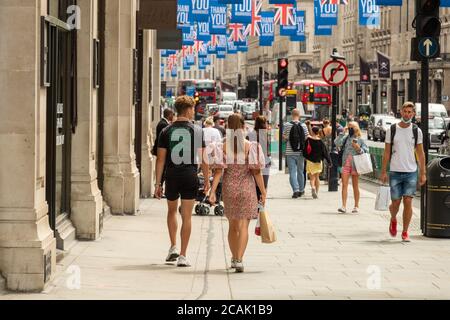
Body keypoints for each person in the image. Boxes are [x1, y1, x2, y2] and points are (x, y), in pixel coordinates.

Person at [155, 96, 210, 267]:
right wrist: (207, 180)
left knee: (171, 211)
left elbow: (160, 160)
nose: (194, 111)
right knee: (187, 216)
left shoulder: (166, 131)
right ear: (187, 110)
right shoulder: (197, 131)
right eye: (193, 109)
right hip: (189, 174)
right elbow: (204, 159)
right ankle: (183, 255)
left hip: (171, 174)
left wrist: (158, 184)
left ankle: (173, 247)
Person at [209, 114, 266, 273]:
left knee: (233, 226)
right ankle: (240, 259)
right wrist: (263, 191)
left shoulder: (222, 146)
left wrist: (212, 192)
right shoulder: (251, 146)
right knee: (243, 227)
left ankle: (234, 257)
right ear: (242, 127)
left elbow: (218, 172)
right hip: (246, 188)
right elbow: (256, 172)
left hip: (229, 189)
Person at [380, 102, 427, 242]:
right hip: (395, 171)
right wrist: (383, 171)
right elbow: (387, 152)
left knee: (408, 201)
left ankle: (405, 232)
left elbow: (421, 153)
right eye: (405, 111)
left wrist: (422, 172)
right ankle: (393, 219)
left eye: (410, 112)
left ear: (413, 114)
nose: (407, 114)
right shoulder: (392, 129)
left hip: (411, 171)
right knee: (395, 203)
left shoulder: (416, 131)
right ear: (401, 112)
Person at [335, 121, 369, 214]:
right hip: (345, 163)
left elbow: (366, 150)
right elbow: (337, 143)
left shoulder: (361, 139)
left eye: (352, 127)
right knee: (344, 185)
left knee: (355, 186)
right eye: (349, 127)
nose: (350, 129)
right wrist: (342, 132)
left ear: (356, 128)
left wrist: (358, 148)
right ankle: (343, 206)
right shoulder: (346, 138)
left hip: (356, 164)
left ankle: (356, 205)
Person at [283, 109, 309, 199]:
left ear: (291, 115)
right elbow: (306, 137)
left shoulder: (287, 125)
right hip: (301, 152)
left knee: (292, 172)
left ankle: (295, 190)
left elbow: (284, 137)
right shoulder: (303, 125)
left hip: (290, 152)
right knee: (300, 171)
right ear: (299, 115)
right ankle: (301, 190)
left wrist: (288, 138)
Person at [247, 116, 271, 202]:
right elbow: (269, 151)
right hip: (264, 161)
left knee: (254, 185)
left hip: (252, 162)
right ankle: (261, 206)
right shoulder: (265, 134)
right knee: (263, 185)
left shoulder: (250, 134)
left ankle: (255, 204)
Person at [304, 126, 331, 199]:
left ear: (312, 132)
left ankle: (312, 187)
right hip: (318, 161)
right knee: (317, 177)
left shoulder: (308, 140)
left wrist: (305, 157)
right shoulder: (321, 142)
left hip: (310, 161)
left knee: (312, 178)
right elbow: (325, 152)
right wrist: (329, 162)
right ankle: (316, 192)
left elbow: (304, 150)